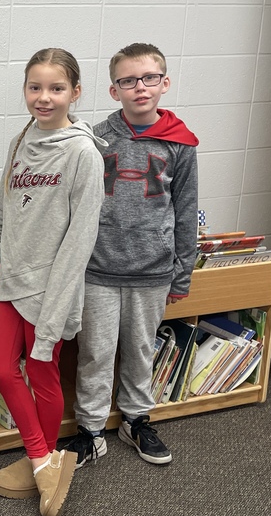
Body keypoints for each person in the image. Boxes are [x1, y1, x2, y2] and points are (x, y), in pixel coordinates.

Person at [0, 48, 104, 516]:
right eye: (34, 87)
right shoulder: (21, 139)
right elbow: (5, 205)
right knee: (0, 366)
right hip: (11, 278)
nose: (44, 97)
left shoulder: (83, 154)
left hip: (50, 291)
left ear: (75, 93)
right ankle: (44, 458)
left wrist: (53, 321)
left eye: (56, 88)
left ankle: (42, 456)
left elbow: (79, 244)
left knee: (42, 373)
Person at [63, 43, 199, 468]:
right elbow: (71, 203)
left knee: (140, 349)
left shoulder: (181, 144)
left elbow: (185, 210)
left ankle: (136, 419)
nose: (139, 87)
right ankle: (90, 430)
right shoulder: (94, 138)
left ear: (165, 83)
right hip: (98, 268)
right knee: (96, 352)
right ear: (113, 90)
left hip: (152, 271)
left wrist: (182, 273)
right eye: (128, 80)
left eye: (149, 78)